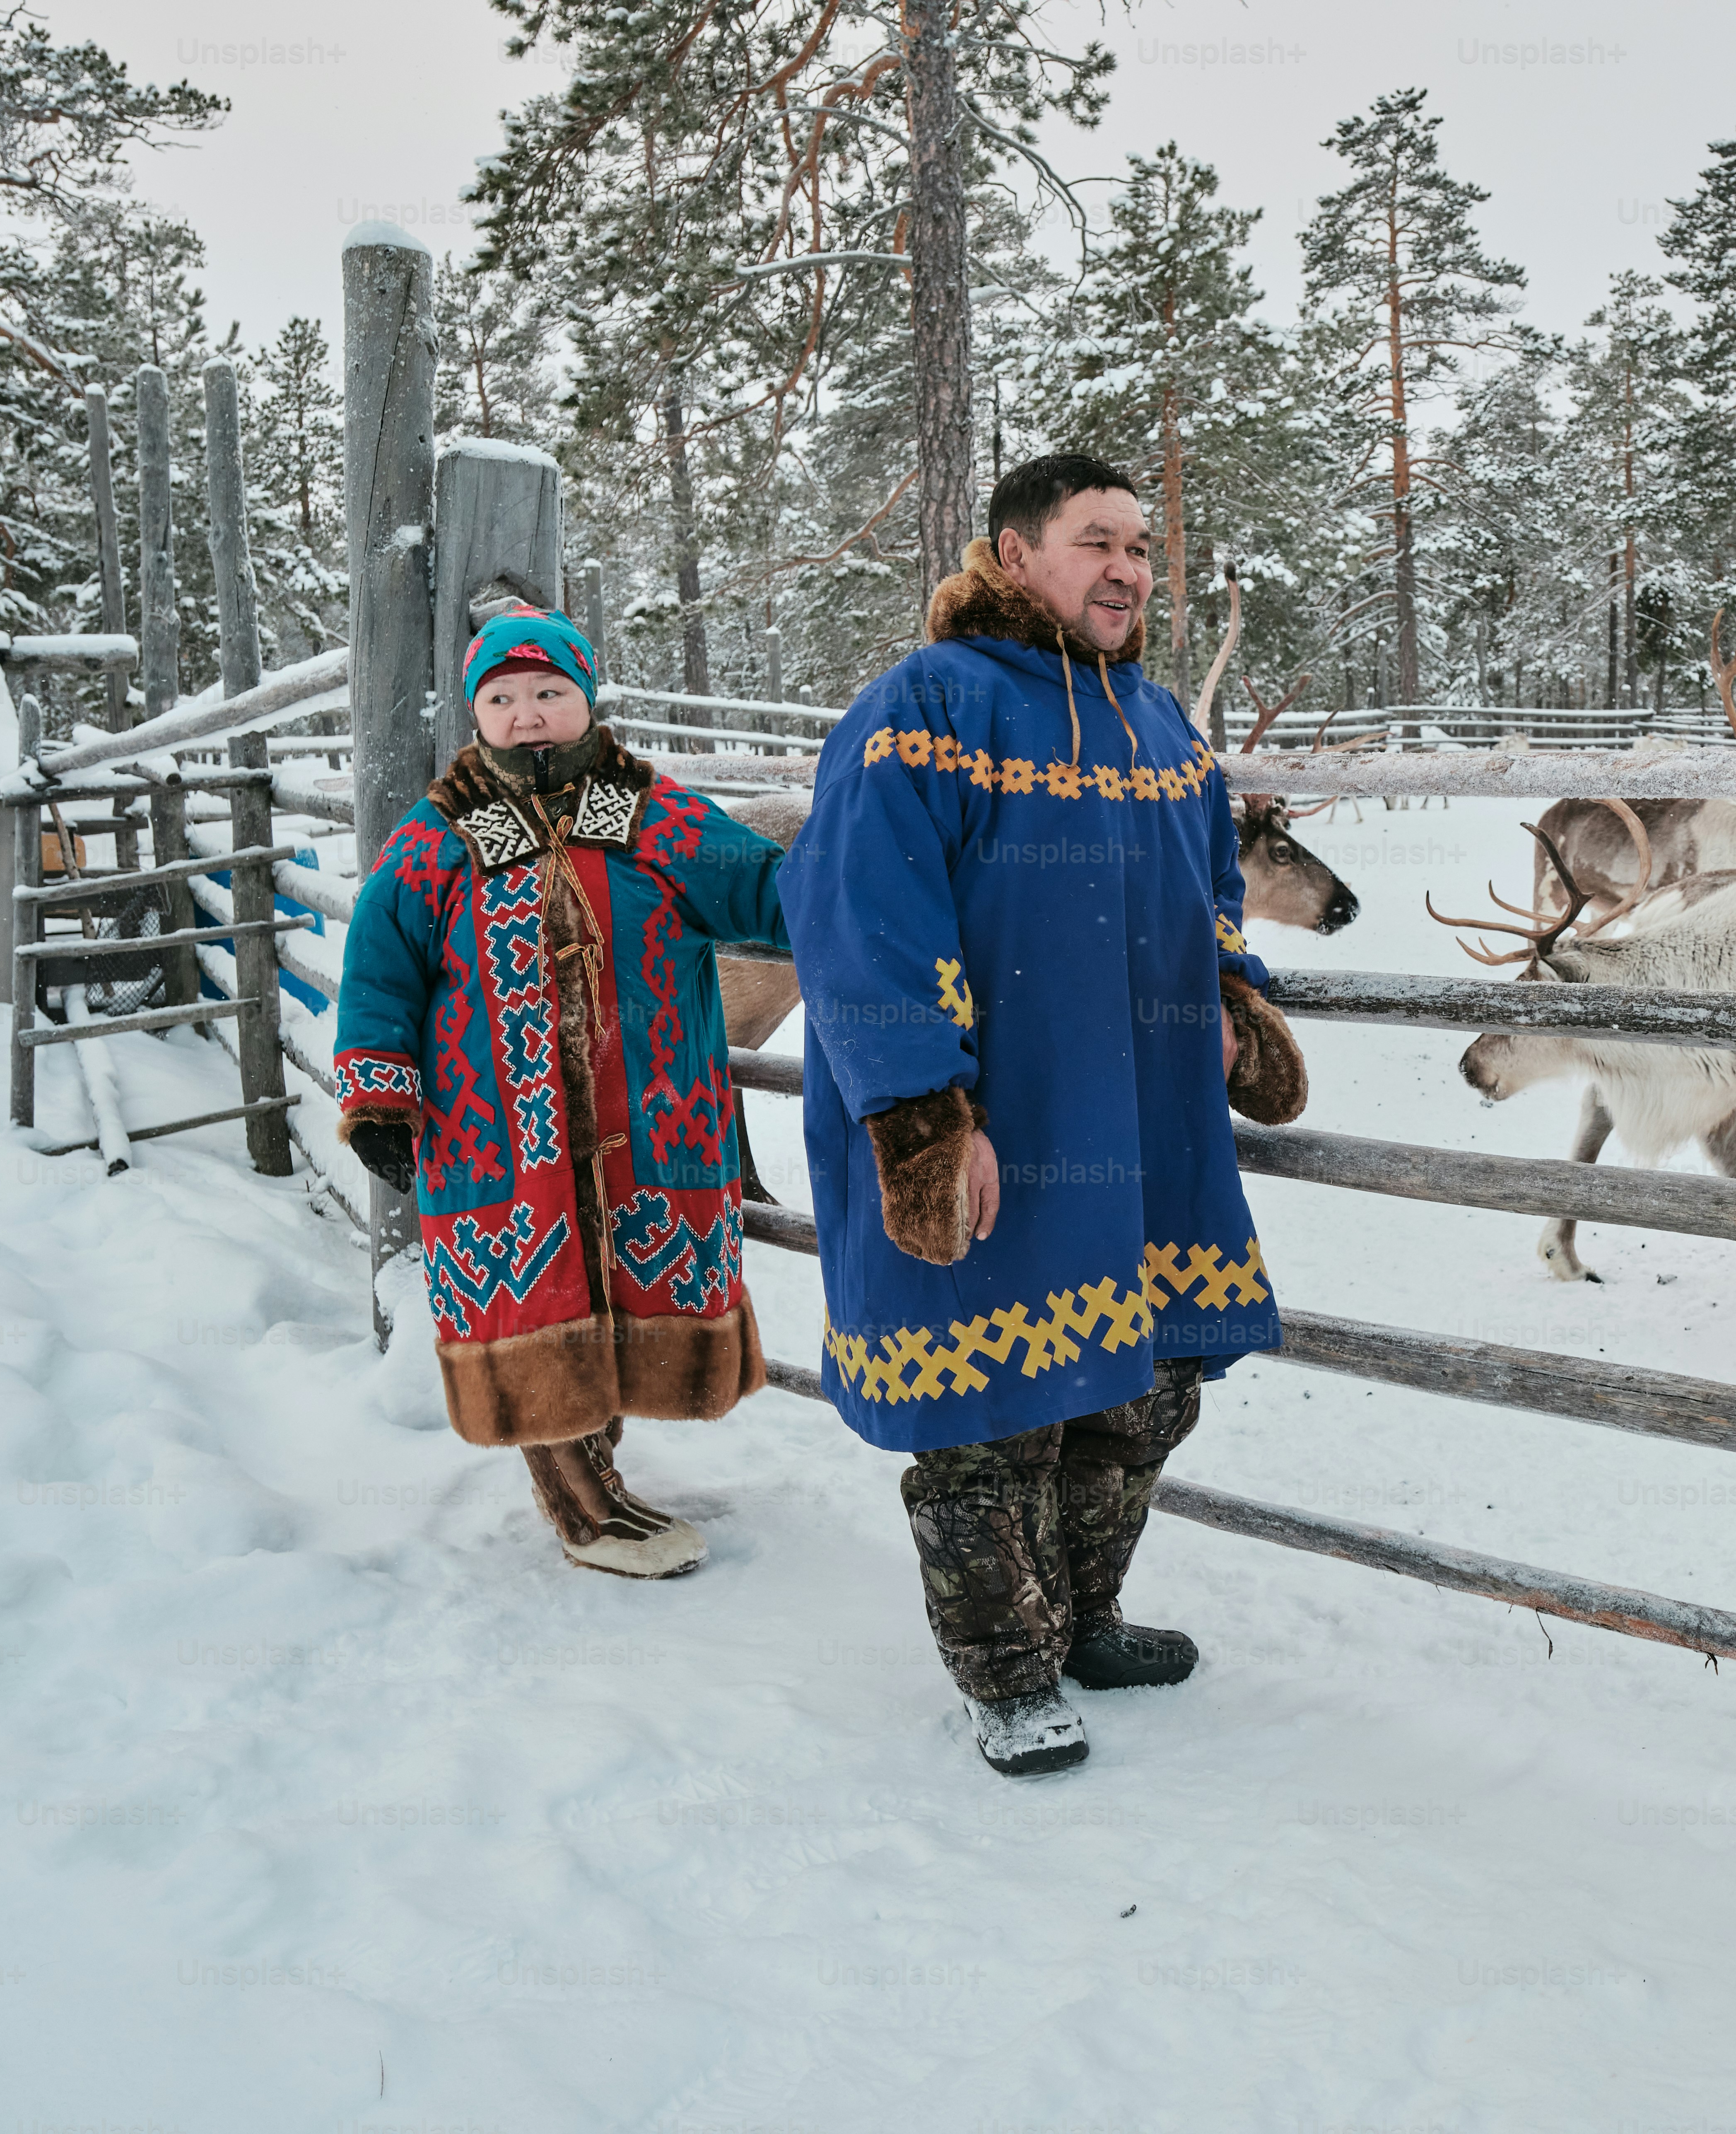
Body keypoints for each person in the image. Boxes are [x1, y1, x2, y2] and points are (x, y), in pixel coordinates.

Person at [785, 454, 1309, 1777]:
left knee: (1140, 1395)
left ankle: (1084, 1622)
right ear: (1015, 555)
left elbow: (1211, 888)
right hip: (1000, 1123)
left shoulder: (1159, 724)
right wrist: (922, 1118)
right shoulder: (925, 707)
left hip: (1143, 1121)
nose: (1128, 569)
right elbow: (860, 918)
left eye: (1139, 546)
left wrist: (1233, 995)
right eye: (1096, 542)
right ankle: (1009, 1676)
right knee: (991, 1415)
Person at [333, 605, 792, 1578]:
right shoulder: (436, 839)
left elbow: (771, 895)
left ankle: (600, 1473)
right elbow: (380, 969)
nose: (527, 713)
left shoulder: (655, 817)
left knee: (619, 1289)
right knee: (533, 1301)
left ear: (586, 699)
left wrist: (868, 880)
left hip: (649, 1117)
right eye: (502, 697)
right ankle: (585, 1508)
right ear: (476, 713)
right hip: (499, 1132)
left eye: (549, 691)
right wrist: (378, 1094)